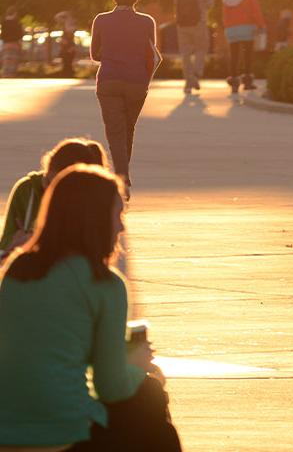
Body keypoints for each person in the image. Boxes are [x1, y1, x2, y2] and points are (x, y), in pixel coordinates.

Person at [0, 165, 180, 451]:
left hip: (6, 430)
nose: (121, 226)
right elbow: (111, 386)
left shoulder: (18, 269)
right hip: (62, 434)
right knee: (151, 397)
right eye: (117, 215)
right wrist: (138, 365)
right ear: (94, 220)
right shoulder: (105, 284)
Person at [90, 0, 156, 200]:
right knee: (127, 129)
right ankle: (122, 176)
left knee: (116, 132)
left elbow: (95, 55)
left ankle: (121, 177)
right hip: (137, 84)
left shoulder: (101, 20)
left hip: (109, 81)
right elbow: (151, 55)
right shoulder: (147, 22)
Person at [0, 138, 107, 259]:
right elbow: (5, 244)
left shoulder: (91, 203)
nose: (46, 187)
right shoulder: (26, 190)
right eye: (47, 179)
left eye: (55, 186)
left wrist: (34, 240)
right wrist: (13, 244)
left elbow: (92, 251)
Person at [173, 0, 213, 94]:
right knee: (201, 49)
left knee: (185, 53)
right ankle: (196, 74)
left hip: (182, 23)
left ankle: (188, 82)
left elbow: (175, 1)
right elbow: (210, 3)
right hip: (199, 22)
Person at [221, 0, 266, 94]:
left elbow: (224, 16)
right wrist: (261, 26)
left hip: (231, 29)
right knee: (247, 55)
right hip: (247, 28)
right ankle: (247, 82)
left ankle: (234, 82)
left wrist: (227, 27)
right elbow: (256, 12)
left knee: (234, 55)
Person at [1, 7, 23, 78]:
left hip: (6, 45)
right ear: (15, 14)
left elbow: (2, 35)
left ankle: (5, 76)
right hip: (15, 44)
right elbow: (20, 35)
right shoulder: (18, 23)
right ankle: (11, 76)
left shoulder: (3, 23)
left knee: (6, 62)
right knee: (13, 62)